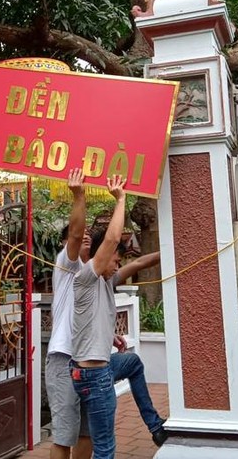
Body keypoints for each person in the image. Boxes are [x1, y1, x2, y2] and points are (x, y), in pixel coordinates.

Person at [70, 176, 168, 459]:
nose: (119, 264)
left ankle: (155, 426)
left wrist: (175, 251)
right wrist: (121, 199)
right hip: (94, 374)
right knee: (105, 448)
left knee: (133, 363)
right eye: (115, 259)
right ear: (104, 256)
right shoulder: (87, 277)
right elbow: (112, 239)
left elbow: (139, 262)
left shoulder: (106, 281)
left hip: (96, 369)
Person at [45, 168, 93, 459]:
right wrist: (79, 195)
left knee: (88, 431)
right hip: (64, 358)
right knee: (64, 434)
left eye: (90, 234)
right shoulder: (66, 265)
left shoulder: (95, 273)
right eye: (79, 235)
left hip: (91, 360)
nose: (84, 236)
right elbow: (75, 234)